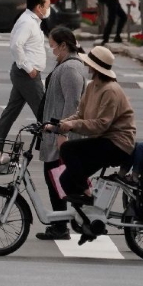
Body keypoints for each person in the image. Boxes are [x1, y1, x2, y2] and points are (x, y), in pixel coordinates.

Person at [47, 46, 136, 202]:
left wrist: (72, 125)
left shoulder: (110, 90)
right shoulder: (92, 86)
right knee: (66, 181)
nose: (86, 66)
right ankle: (88, 218)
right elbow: (80, 114)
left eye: (89, 64)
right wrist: (58, 125)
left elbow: (101, 124)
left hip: (117, 143)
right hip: (102, 140)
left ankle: (89, 194)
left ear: (96, 67)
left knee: (68, 148)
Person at [36, 27, 88, 240]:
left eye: (53, 46)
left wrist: (62, 132)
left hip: (62, 134)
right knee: (57, 179)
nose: (52, 50)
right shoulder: (65, 65)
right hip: (55, 131)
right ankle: (65, 223)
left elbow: (73, 102)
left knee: (57, 179)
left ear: (64, 45)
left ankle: (62, 225)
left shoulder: (70, 68)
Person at [0, 0, 49, 147]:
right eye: (47, 5)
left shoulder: (32, 21)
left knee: (12, 110)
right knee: (43, 110)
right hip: (26, 74)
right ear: (39, 7)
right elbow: (16, 46)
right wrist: (29, 69)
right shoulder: (27, 22)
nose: (48, 8)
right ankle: (52, 145)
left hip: (24, 73)